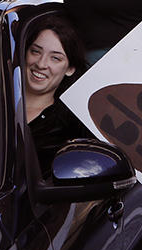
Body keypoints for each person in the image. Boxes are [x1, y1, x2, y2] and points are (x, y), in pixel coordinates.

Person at [22, 15, 91, 171]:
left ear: (70, 69)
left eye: (55, 58)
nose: (41, 64)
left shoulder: (71, 129)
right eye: (35, 51)